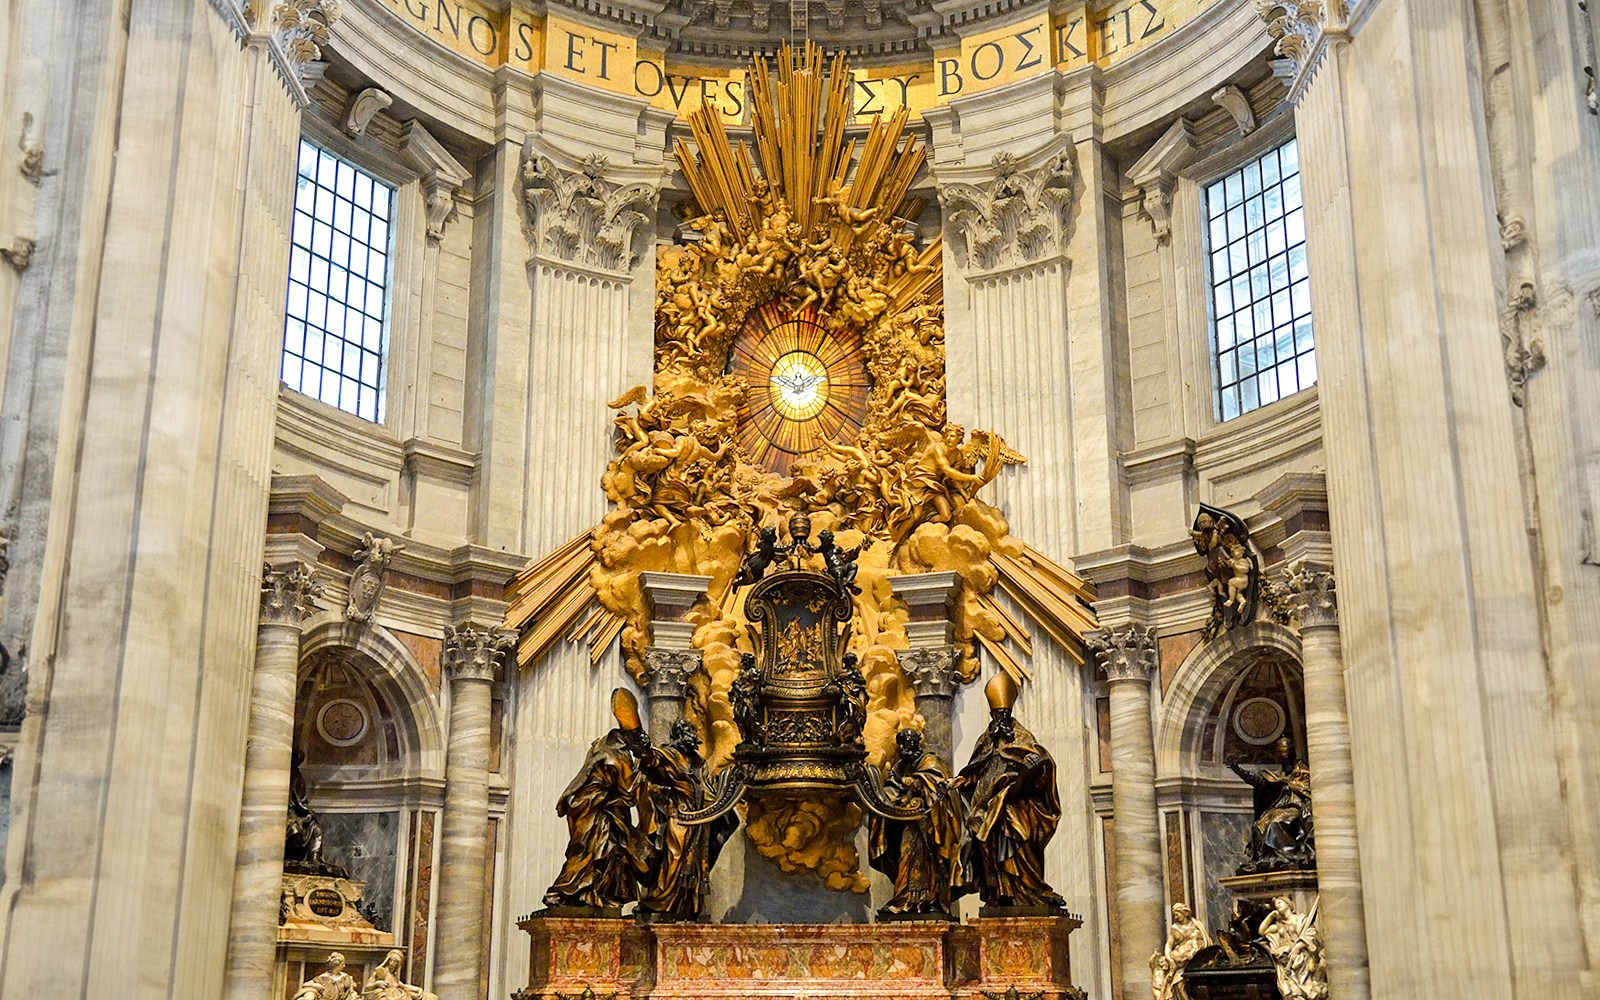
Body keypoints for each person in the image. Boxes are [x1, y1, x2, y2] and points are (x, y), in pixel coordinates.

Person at [954, 673, 1065, 909]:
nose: (999, 719)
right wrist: (959, 781)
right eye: (996, 714)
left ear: (1010, 714)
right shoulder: (987, 739)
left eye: (1003, 714)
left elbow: (1041, 759)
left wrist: (1031, 768)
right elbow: (974, 768)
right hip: (985, 804)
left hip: (1014, 801)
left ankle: (1027, 888)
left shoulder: (1021, 736)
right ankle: (998, 891)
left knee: (1017, 831)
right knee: (982, 839)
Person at [542, 688, 654, 910]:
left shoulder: (603, 745)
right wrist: (645, 768)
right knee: (594, 852)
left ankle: (597, 896)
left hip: (589, 807)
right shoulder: (615, 757)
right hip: (593, 811)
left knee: (608, 852)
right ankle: (568, 890)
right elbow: (630, 792)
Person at [637, 720, 737, 919]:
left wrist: (722, 796)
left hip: (699, 820)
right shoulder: (670, 755)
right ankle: (661, 901)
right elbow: (653, 762)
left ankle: (687, 906)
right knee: (674, 858)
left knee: (697, 865)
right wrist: (645, 749)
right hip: (679, 818)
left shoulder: (698, 762)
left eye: (691, 731)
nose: (690, 735)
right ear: (677, 735)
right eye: (685, 731)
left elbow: (707, 789)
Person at [868, 727, 964, 916]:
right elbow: (891, 790)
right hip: (909, 824)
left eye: (910, 743)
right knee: (906, 856)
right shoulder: (900, 766)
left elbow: (936, 786)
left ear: (917, 743)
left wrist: (912, 783)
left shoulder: (930, 761)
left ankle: (931, 899)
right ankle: (905, 899)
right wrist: (885, 799)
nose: (906, 748)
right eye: (903, 744)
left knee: (931, 861)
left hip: (931, 826)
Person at [1229, 737, 1315, 872]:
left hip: (1297, 807)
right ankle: (1266, 858)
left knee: (1276, 823)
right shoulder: (1275, 775)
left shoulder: (1301, 773)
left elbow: (1308, 792)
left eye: (1287, 752)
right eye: (1281, 753)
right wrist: (1238, 771)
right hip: (1281, 808)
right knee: (1260, 824)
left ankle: (1289, 854)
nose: (1284, 756)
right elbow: (1256, 781)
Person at [361, 950, 435, 1000]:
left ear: (398, 964)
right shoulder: (381, 972)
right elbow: (367, 987)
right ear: (388, 960)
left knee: (431, 997)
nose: (392, 963)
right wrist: (377, 984)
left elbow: (403, 986)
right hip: (386, 996)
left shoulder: (394, 976)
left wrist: (417, 989)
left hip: (399, 995)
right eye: (391, 960)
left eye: (395, 961)